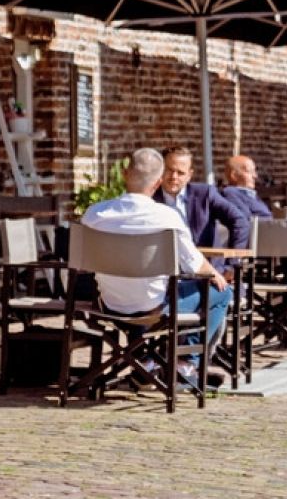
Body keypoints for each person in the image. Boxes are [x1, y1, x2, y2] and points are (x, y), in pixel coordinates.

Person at [81, 148, 233, 387]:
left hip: (109, 305)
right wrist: (215, 273)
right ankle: (185, 362)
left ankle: (145, 362)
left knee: (141, 289)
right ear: (158, 181)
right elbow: (195, 265)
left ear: (124, 174)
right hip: (153, 309)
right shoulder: (166, 217)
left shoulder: (94, 214)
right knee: (222, 292)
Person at [152, 147, 251, 269]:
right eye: (169, 170)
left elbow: (239, 221)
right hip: (162, 274)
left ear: (189, 175)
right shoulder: (149, 198)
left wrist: (232, 264)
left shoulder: (205, 195)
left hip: (208, 273)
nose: (174, 176)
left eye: (181, 173)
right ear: (160, 170)